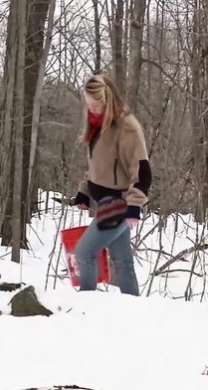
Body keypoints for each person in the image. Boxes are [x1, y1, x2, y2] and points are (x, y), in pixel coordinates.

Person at [72, 74, 152, 296]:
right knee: (122, 261)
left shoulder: (127, 127)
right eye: (88, 105)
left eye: (96, 105)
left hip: (119, 204)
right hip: (103, 202)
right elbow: (100, 166)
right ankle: (133, 310)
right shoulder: (97, 125)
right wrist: (84, 191)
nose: (92, 110)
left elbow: (142, 170)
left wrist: (135, 205)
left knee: (84, 253)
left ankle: (85, 308)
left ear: (108, 101)